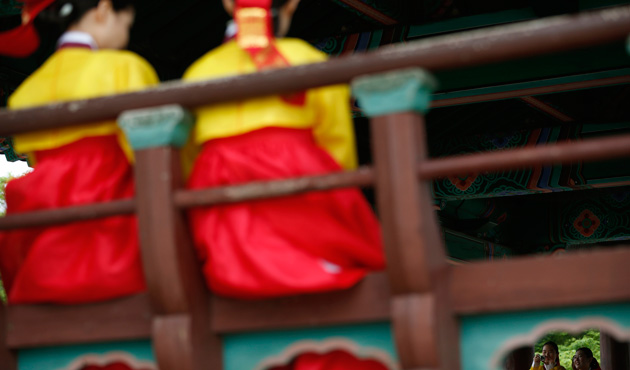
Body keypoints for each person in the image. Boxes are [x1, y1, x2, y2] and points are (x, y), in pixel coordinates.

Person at [183, 0, 385, 299]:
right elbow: (336, 146)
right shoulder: (307, 59)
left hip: (219, 189)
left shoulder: (199, 71)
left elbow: (189, 157)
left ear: (228, 4)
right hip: (296, 175)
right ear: (292, 4)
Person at [0, 0, 158, 304]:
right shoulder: (124, 67)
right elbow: (146, 151)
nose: (125, 35)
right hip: (111, 213)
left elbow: (33, 157)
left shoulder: (27, 90)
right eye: (125, 24)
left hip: (41, 223)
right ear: (103, 10)